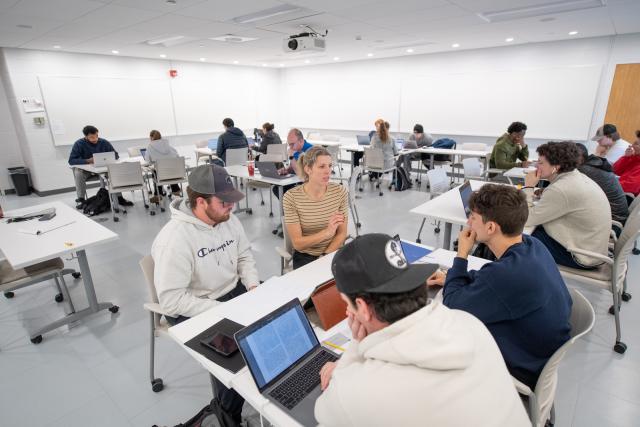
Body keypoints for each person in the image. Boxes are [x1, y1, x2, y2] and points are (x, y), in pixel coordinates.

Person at [315, 233, 530, 427]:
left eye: (347, 303)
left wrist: (356, 347)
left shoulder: (357, 393)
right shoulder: (469, 323)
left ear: (361, 308)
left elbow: (324, 411)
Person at [427, 184, 572, 390]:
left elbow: (453, 304)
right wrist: (454, 277)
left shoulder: (505, 275)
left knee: (439, 333)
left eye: (473, 218)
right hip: (540, 348)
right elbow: (492, 280)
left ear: (491, 227)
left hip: (522, 365)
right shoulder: (533, 246)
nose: (468, 223)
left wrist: (461, 255)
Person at [151, 163, 259, 425]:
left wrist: (254, 286)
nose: (231, 207)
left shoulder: (227, 219)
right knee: (235, 356)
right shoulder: (175, 240)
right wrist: (219, 309)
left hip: (234, 291)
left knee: (273, 324)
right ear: (200, 202)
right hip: (193, 307)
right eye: (224, 202)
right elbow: (171, 300)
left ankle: (234, 406)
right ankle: (224, 415)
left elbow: (244, 255)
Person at [525, 141, 611, 269]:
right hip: (592, 248)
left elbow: (527, 219)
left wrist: (529, 186)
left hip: (580, 256)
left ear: (557, 166)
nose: (536, 166)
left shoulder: (560, 189)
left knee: (513, 236)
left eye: (541, 162)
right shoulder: (576, 177)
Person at [283, 146, 348, 269]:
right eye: (322, 166)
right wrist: (327, 233)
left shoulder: (340, 192)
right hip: (306, 256)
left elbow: (342, 233)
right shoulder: (291, 197)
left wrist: (325, 256)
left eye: (330, 165)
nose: (328, 171)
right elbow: (297, 244)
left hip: (333, 252)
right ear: (308, 169)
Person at [68, 125, 132, 209]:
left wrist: (109, 157)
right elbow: (71, 160)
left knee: (114, 171)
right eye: (92, 137)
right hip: (88, 172)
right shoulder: (79, 144)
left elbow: (116, 155)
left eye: (96, 136)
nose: (95, 139)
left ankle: (119, 198)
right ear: (86, 137)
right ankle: (81, 199)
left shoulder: (104, 142)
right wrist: (87, 161)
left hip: (103, 170)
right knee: (77, 172)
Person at [576, 143, 628, 225]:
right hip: (617, 215)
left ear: (579, 159)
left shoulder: (585, 170)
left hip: (613, 220)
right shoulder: (592, 163)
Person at [272, 128, 312, 199]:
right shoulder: (296, 149)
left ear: (301, 141)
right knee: (276, 188)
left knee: (283, 191)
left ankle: (291, 208)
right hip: (296, 180)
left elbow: (301, 174)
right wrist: (286, 170)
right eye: (289, 144)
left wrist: (291, 157)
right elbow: (293, 167)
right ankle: (289, 208)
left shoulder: (310, 151)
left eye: (292, 144)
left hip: (306, 183)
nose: (290, 147)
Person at [145, 129, 181, 203]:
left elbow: (148, 161)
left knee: (155, 171)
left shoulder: (150, 147)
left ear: (151, 137)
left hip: (160, 175)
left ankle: (158, 195)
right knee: (170, 167)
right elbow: (177, 156)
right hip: (174, 173)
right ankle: (176, 191)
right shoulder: (167, 145)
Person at [613, 130, 640, 196]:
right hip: (618, 190)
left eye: (636, 144)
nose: (632, 145)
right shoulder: (634, 158)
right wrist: (626, 157)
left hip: (625, 196)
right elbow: (615, 170)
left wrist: (609, 184)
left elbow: (631, 186)